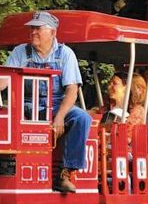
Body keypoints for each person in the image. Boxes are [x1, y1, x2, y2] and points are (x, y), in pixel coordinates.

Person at [5, 11, 91, 193]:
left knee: (82, 118)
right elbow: (4, 80)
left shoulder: (65, 54)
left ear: (53, 33)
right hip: (27, 107)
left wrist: (59, 117)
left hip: (58, 105)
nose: (33, 32)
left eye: (38, 29)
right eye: (31, 29)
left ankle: (66, 173)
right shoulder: (20, 52)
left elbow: (72, 90)